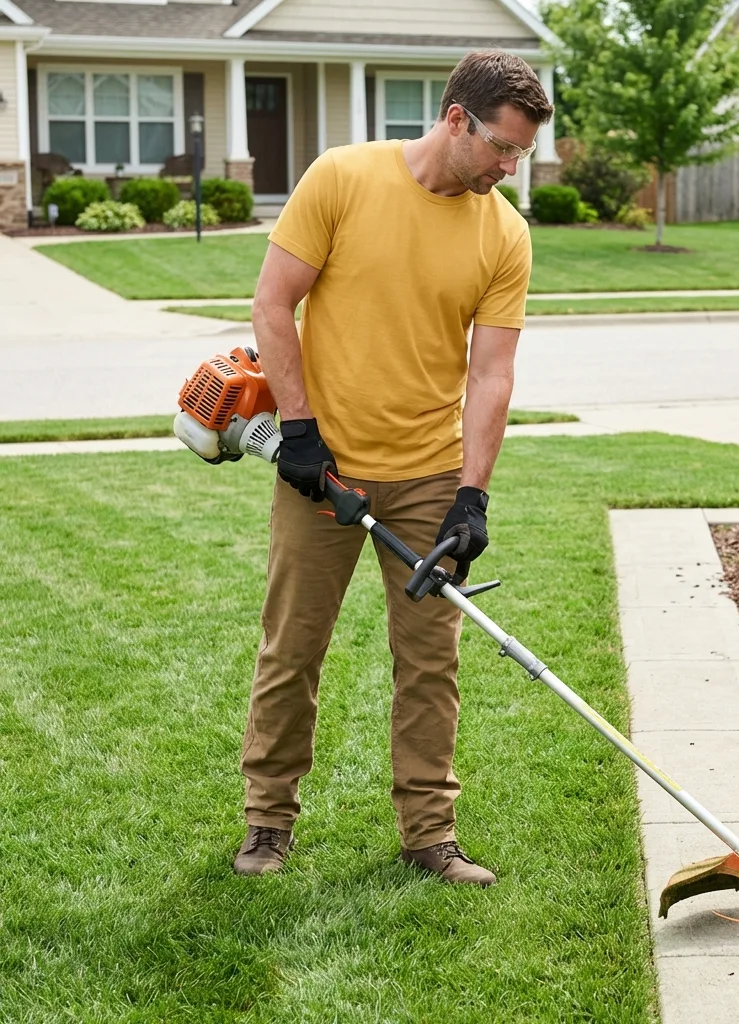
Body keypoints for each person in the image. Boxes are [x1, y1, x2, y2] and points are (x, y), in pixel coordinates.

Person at [232, 50, 553, 886]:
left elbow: (491, 374)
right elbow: (274, 303)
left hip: (428, 474)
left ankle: (429, 836)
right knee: (293, 650)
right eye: (502, 148)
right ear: (456, 120)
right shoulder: (342, 179)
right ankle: (267, 823)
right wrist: (298, 432)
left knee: (430, 663)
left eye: (521, 154)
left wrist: (473, 495)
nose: (510, 167)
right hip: (322, 468)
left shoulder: (504, 232)